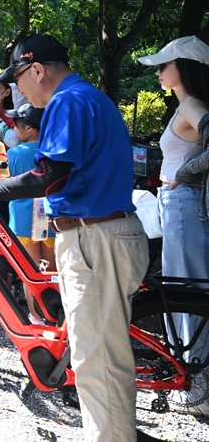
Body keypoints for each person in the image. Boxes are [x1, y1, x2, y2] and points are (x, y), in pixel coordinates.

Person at [0, 34, 148, 442]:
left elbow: (53, 173)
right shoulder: (88, 97)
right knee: (99, 357)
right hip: (101, 232)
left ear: (37, 70)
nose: (17, 91)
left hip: (95, 236)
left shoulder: (68, 101)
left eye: (18, 81)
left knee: (96, 362)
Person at [140, 36, 209, 416]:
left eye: (164, 65)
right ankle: (195, 383)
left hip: (185, 205)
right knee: (183, 291)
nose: (158, 72)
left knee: (189, 295)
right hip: (179, 205)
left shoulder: (194, 106)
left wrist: (184, 172)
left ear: (184, 67)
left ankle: (199, 391)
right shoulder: (187, 106)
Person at [4, 102, 55, 324]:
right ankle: (55, 314)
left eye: (16, 125)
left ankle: (36, 317)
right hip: (48, 214)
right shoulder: (53, 150)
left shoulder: (14, 153)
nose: (13, 129)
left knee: (31, 273)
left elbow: (4, 180)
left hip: (23, 218)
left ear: (29, 128)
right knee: (51, 269)